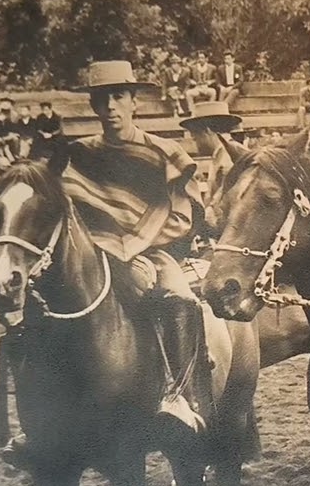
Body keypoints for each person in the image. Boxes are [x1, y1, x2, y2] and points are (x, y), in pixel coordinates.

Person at [57, 60, 214, 436]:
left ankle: (179, 396)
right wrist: (104, 245)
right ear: (93, 107)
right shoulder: (79, 156)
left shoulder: (165, 153)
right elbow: (71, 211)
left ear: (133, 102)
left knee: (179, 297)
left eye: (118, 97)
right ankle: (49, 413)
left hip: (156, 253)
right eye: (101, 99)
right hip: (94, 256)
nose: (110, 107)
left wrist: (138, 243)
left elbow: (183, 215)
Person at [179, 100, 242, 210]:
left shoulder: (228, 159)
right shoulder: (220, 154)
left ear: (207, 131)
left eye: (196, 137)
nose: (195, 142)